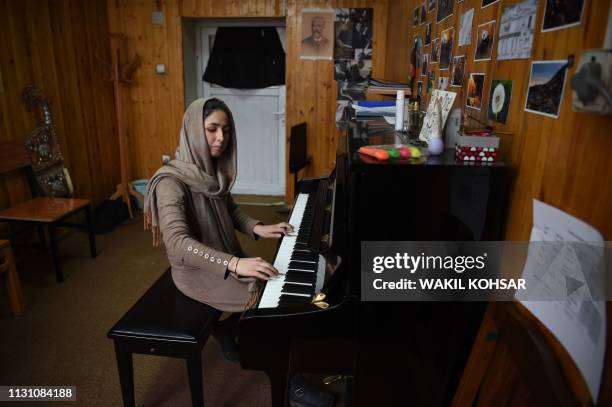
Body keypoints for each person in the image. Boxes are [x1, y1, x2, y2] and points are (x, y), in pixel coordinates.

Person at [144, 98, 293, 361]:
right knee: (268, 297)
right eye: (212, 129)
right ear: (193, 129)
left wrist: (258, 228)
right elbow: (178, 243)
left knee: (273, 279)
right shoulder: (170, 182)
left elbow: (231, 210)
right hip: (196, 272)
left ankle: (226, 328)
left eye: (226, 130)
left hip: (225, 256)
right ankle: (291, 381)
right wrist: (235, 263)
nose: (221, 137)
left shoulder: (212, 169)